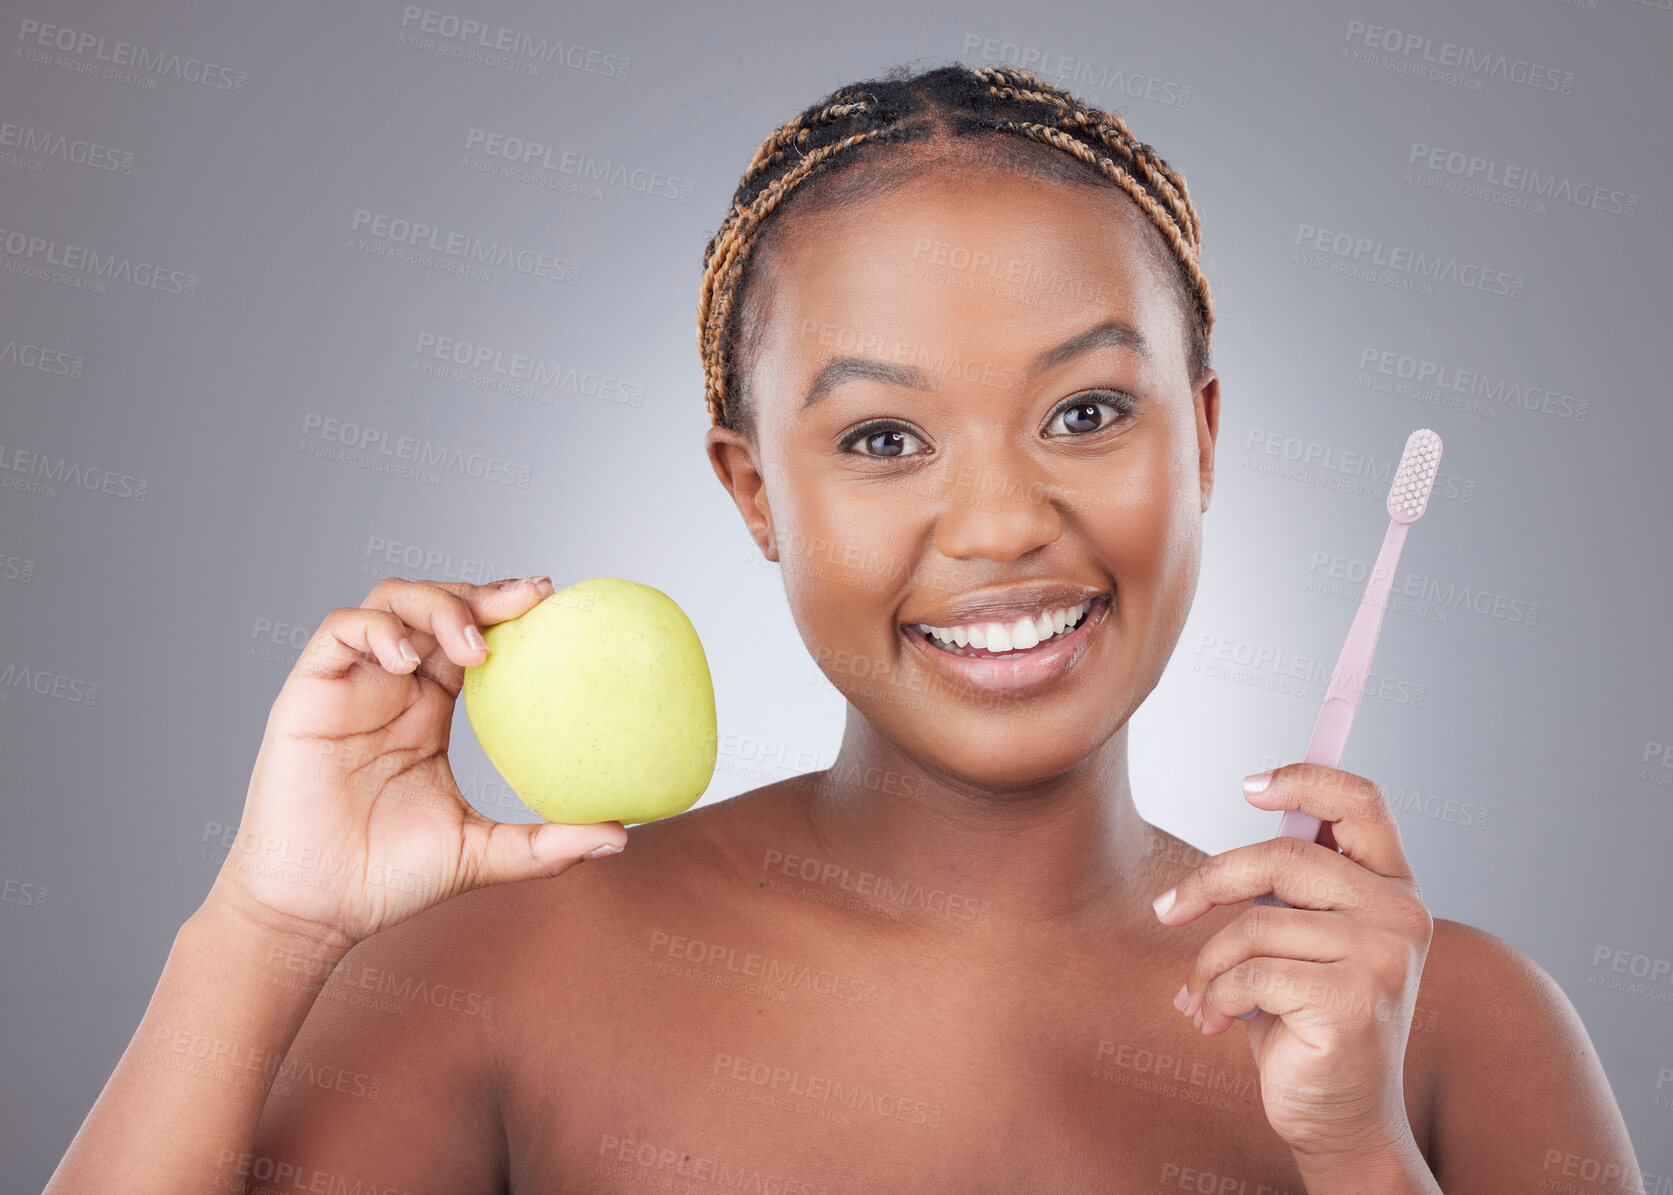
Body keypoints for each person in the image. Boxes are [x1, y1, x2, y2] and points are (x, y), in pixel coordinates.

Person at [45, 62, 1642, 1194]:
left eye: (1087, 411)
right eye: (882, 440)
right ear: (752, 494)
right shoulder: (504, 974)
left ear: (1204, 442)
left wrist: (1358, 1157)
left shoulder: (1455, 1024)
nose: (1004, 521)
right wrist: (262, 936)